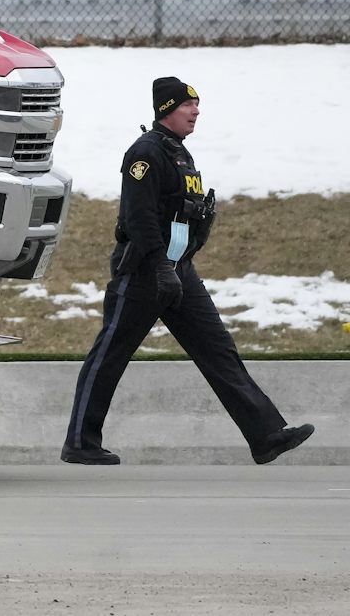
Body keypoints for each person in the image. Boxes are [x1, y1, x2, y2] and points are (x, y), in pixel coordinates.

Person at [61, 76, 314, 466]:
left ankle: (265, 436)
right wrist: (161, 265)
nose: (196, 112)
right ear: (167, 110)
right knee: (110, 354)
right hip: (145, 269)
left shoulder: (178, 153)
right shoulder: (145, 154)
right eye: (187, 105)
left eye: (197, 105)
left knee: (218, 349)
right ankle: (80, 442)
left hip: (180, 270)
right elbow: (138, 216)